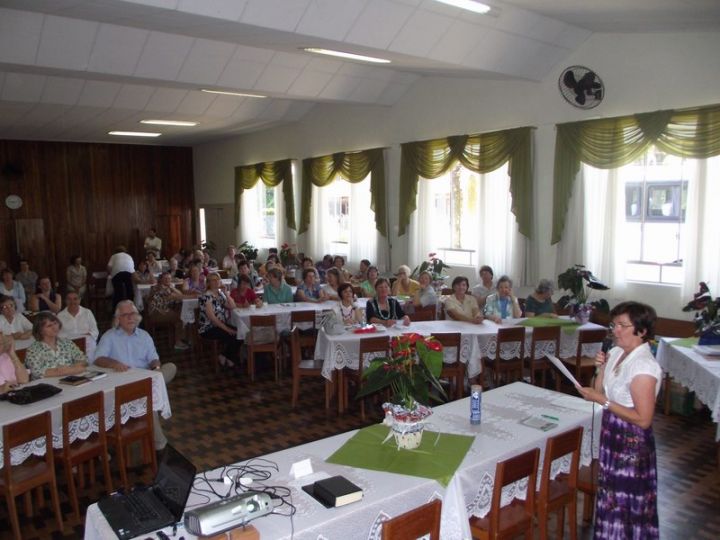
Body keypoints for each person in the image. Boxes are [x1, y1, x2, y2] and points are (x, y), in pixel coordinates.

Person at [578, 302, 662, 538]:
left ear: (642, 330)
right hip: (611, 432)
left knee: (627, 503)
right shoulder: (616, 352)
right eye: (614, 325)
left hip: (631, 442)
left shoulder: (644, 366)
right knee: (610, 496)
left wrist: (602, 401)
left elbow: (643, 419)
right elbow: (599, 391)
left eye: (622, 326)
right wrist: (600, 369)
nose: (615, 330)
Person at [92, 300, 176, 451]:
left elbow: (153, 358)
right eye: (125, 315)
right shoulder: (109, 336)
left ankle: (148, 388)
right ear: (118, 319)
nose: (130, 318)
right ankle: (160, 445)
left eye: (132, 314)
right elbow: (98, 358)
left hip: (144, 378)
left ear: (138, 316)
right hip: (122, 382)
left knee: (170, 368)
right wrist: (114, 364)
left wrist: (156, 368)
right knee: (149, 401)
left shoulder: (144, 335)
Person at [25, 311, 87, 380]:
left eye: (55, 323)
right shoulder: (33, 350)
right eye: (49, 326)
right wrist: (70, 370)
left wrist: (67, 369)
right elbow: (36, 372)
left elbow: (83, 360)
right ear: (40, 331)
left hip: (70, 381)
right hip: (47, 386)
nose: (54, 327)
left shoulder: (67, 343)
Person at [198, 272, 238, 368]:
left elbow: (233, 306)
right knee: (233, 334)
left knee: (240, 333)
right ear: (208, 283)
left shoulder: (219, 294)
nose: (216, 282)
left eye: (218, 279)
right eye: (213, 280)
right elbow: (212, 318)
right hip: (208, 328)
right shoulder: (206, 296)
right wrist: (227, 329)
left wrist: (226, 293)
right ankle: (228, 358)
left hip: (219, 325)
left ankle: (224, 356)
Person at [147, 272, 189, 351]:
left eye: (169, 279)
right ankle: (178, 342)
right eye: (165, 279)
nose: (167, 280)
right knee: (180, 318)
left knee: (181, 314)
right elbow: (179, 297)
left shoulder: (168, 288)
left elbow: (180, 295)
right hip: (156, 313)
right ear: (161, 279)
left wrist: (172, 288)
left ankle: (181, 338)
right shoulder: (158, 288)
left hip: (165, 310)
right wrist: (172, 291)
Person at [57, 291, 100, 358]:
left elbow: (95, 331)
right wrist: (73, 339)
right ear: (65, 301)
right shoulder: (60, 316)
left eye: (75, 299)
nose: (72, 301)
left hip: (86, 342)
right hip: (68, 343)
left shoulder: (87, 312)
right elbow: (58, 334)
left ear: (79, 300)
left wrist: (85, 336)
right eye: (69, 299)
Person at [107, 245, 135, 310]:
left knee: (118, 292)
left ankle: (116, 310)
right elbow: (133, 269)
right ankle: (131, 308)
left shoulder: (114, 256)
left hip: (117, 273)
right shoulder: (129, 256)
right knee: (129, 292)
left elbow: (109, 267)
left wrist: (110, 274)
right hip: (128, 273)